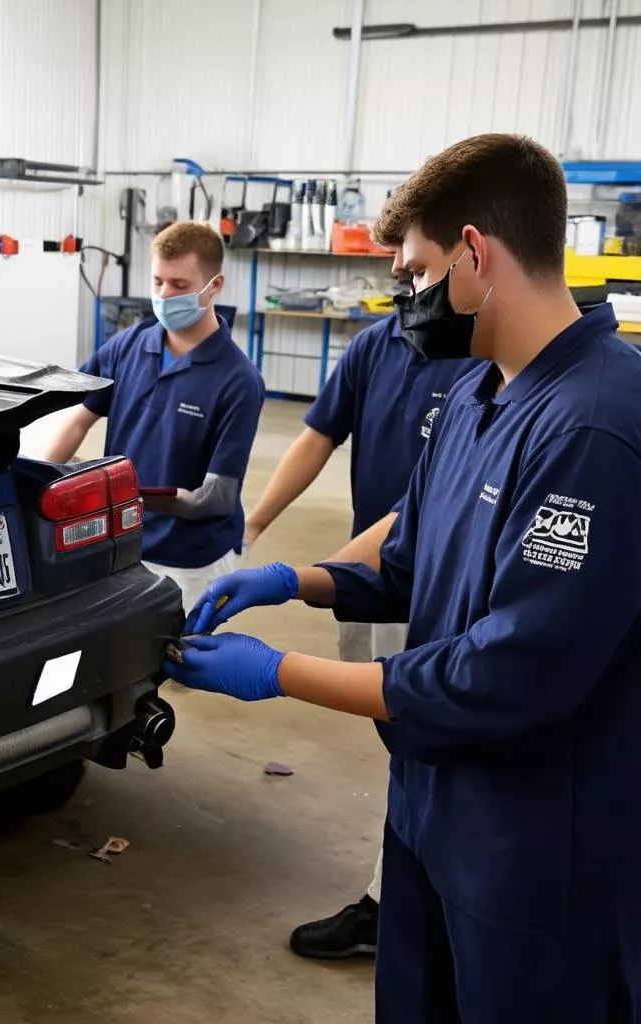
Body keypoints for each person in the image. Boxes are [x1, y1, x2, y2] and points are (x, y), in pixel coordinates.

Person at [166, 133, 641, 1021]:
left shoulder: (595, 429)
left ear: (475, 252)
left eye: (416, 272)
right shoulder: (473, 395)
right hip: (429, 805)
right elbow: (406, 561)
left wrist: (280, 674)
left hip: (534, 842)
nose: (406, 298)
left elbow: (506, 677)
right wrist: (291, 581)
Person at [245, 257, 477, 961]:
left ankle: (399, 906)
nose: (410, 290)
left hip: (435, 586)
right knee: (400, 751)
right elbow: (318, 433)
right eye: (401, 275)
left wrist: (313, 583)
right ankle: (401, 894)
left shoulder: (483, 362)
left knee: (433, 738)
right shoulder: (377, 344)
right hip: (379, 583)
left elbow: (422, 505)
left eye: (419, 269)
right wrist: (252, 531)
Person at [44, 221, 265, 611]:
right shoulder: (128, 345)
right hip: (123, 542)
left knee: (184, 661)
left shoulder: (239, 381)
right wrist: (43, 478)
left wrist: (125, 493)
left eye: (179, 286)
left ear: (214, 286)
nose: (164, 295)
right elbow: (81, 418)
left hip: (191, 561)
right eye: (158, 282)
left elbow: (216, 499)